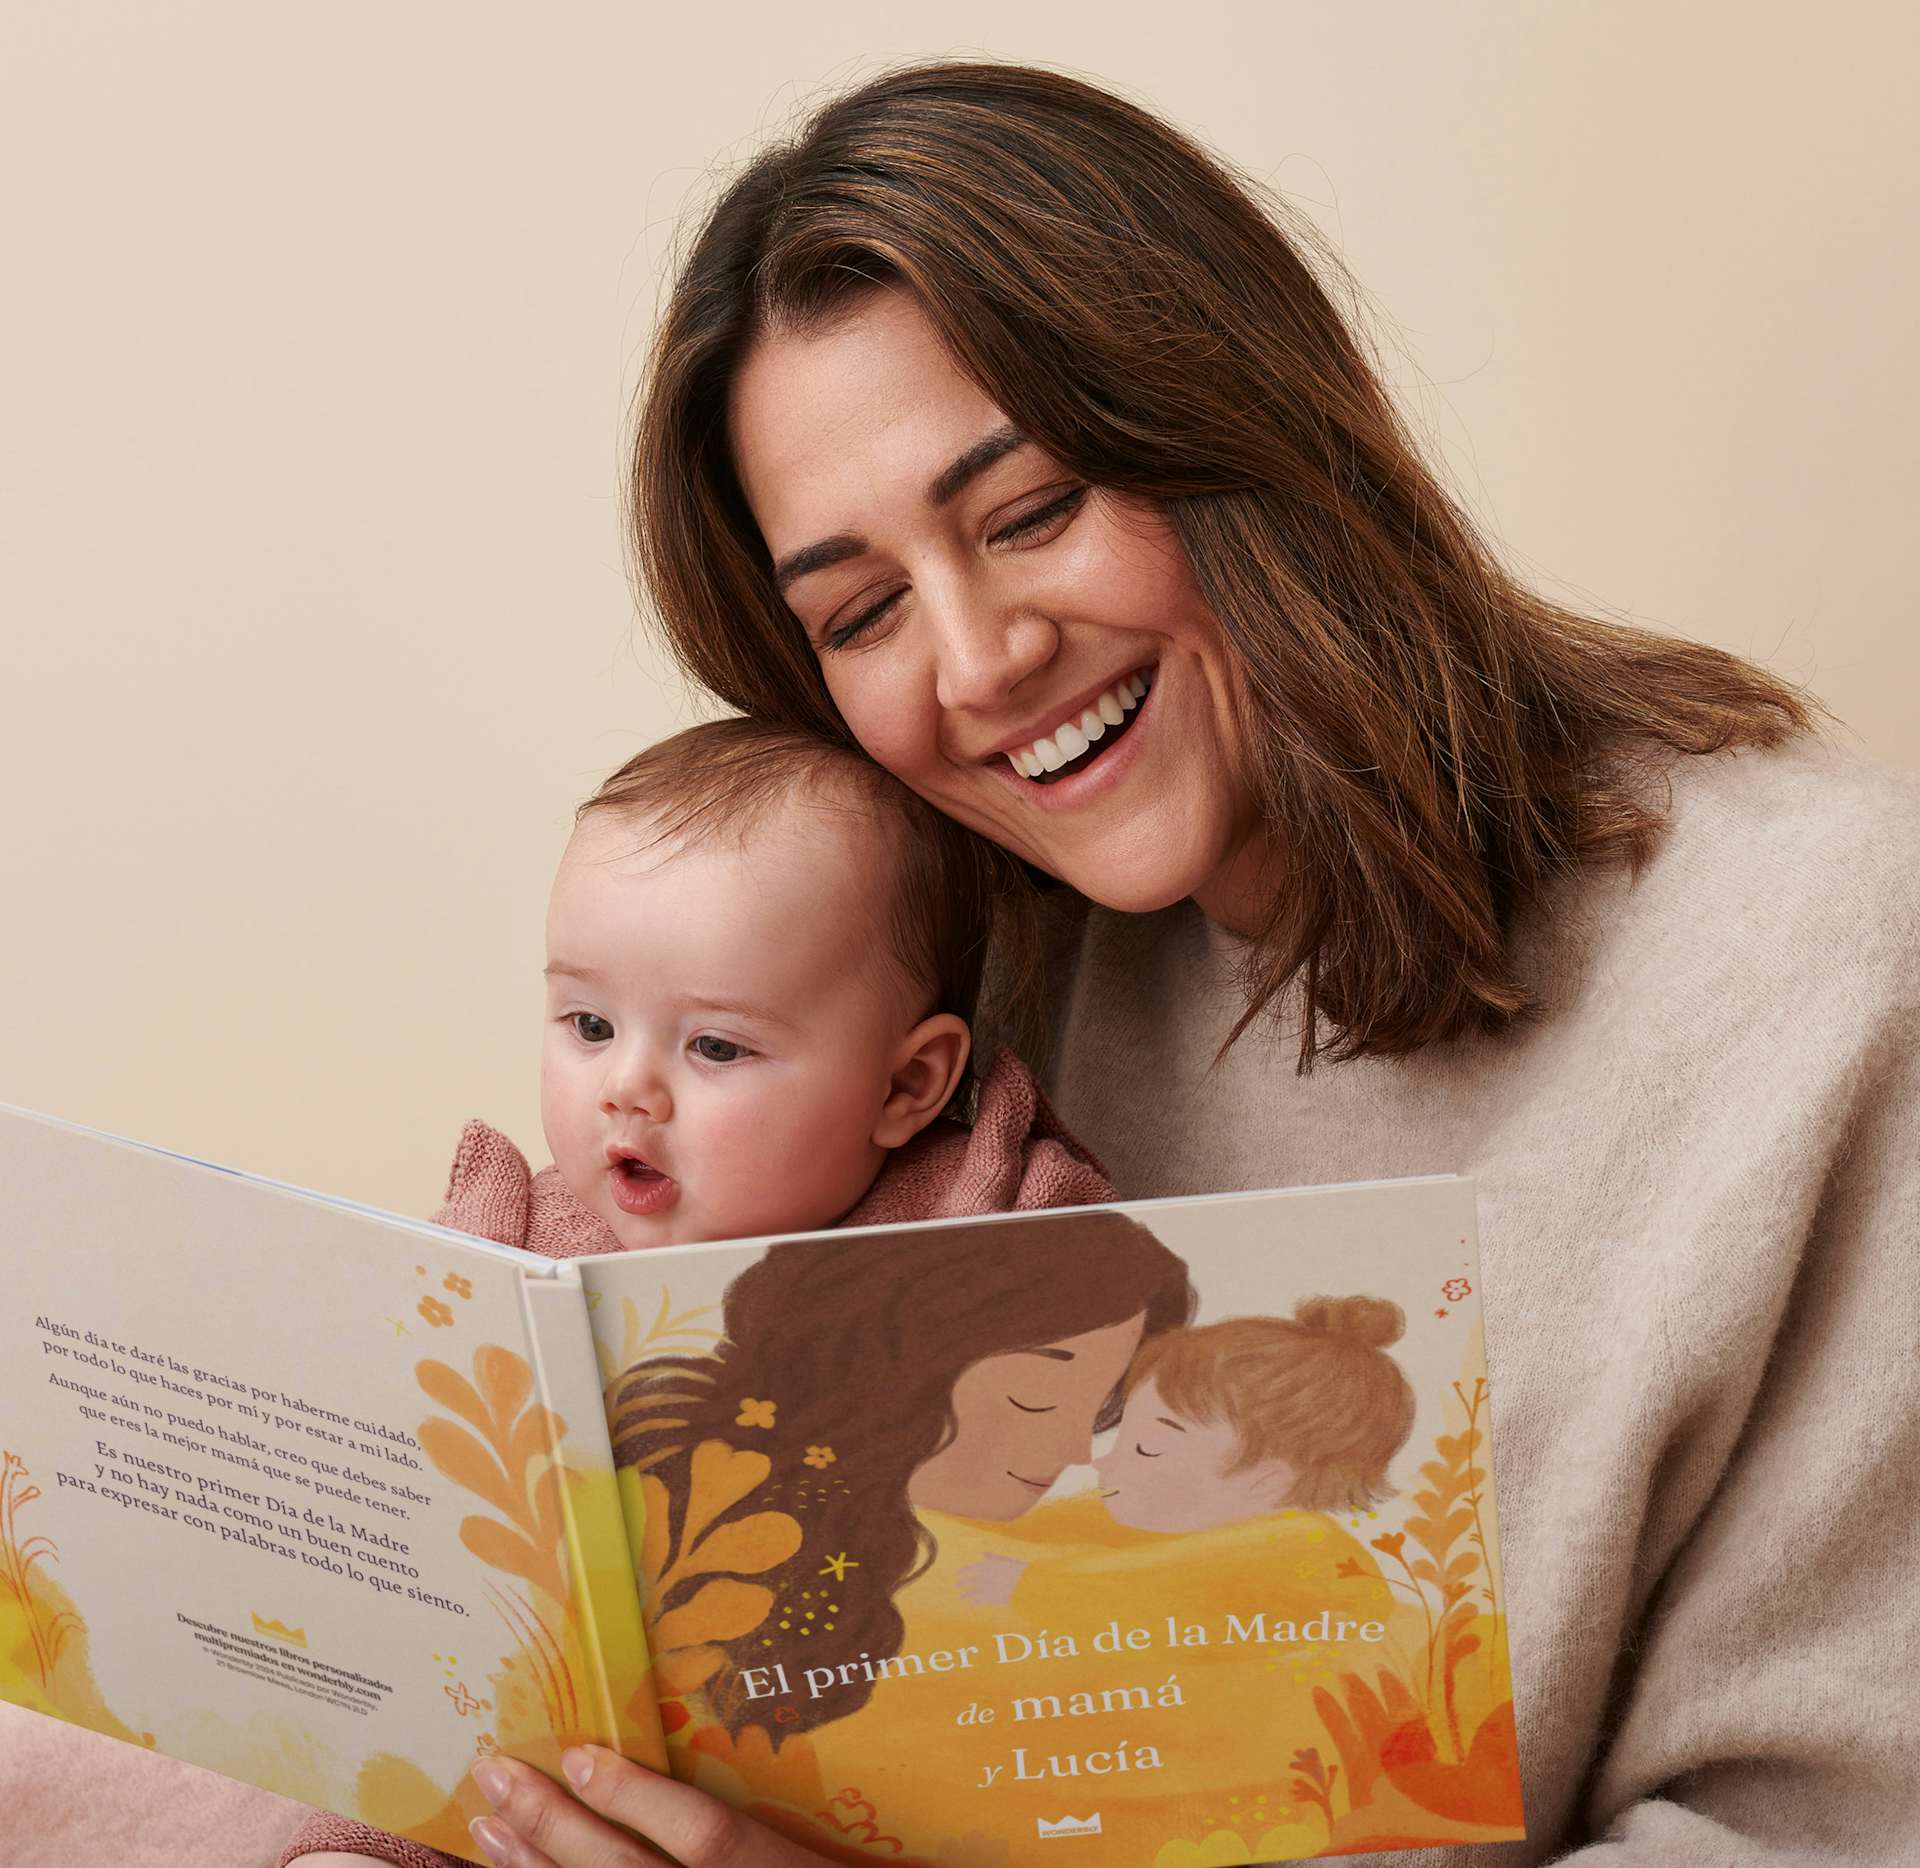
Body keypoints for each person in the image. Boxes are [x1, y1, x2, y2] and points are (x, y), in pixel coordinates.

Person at [299, 58, 1920, 1868]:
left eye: (1031, 509)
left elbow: (1837, 1826)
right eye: (861, 610)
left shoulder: (1820, 954)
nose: (977, 660)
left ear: (1239, 424)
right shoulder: (943, 968)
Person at [279, 719, 1115, 1867]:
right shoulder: (519, 1233)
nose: (628, 1087)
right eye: (587, 1024)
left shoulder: (972, 1209)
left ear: (910, 1082)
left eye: (715, 1047)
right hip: (546, 1773)